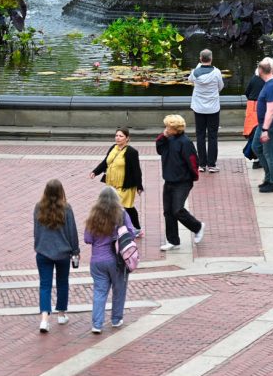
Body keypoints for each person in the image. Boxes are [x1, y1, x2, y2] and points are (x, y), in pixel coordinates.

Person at [83, 186, 135, 334]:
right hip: (117, 260)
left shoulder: (93, 216)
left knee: (100, 291)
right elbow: (130, 233)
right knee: (119, 290)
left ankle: (97, 324)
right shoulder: (122, 215)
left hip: (97, 261)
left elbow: (87, 239)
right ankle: (116, 319)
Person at [33, 179, 79, 333]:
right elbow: (72, 231)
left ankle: (44, 319)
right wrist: (75, 250)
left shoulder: (39, 207)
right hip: (62, 252)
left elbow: (36, 230)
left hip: (43, 251)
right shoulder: (66, 208)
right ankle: (61, 313)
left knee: (44, 285)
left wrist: (38, 245)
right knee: (62, 282)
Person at [155, 115, 203, 249]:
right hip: (169, 180)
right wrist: (162, 137)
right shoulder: (166, 139)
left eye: (168, 127)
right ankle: (173, 241)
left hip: (183, 182)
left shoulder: (185, 142)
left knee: (177, 210)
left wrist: (193, 177)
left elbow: (193, 160)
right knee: (168, 212)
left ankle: (197, 226)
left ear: (175, 129)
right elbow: (159, 149)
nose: (166, 129)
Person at [93, 128, 144, 231]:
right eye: (116, 135)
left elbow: (136, 170)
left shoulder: (131, 152)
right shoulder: (113, 148)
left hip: (125, 186)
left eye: (121, 136)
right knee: (114, 206)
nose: (118, 138)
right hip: (111, 185)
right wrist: (95, 172)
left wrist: (139, 186)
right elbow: (105, 162)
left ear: (127, 138)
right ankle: (116, 227)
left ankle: (136, 228)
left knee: (127, 207)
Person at [189, 49, 224, 173]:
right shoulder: (216, 72)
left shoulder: (195, 72)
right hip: (213, 108)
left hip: (198, 108)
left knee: (200, 135)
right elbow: (221, 86)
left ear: (200, 59)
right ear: (211, 58)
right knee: (213, 136)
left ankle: (201, 164)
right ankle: (212, 164)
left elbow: (190, 80)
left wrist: (198, 66)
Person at [255, 58, 273, 194]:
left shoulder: (272, 85)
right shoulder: (269, 83)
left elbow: (271, 110)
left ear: (261, 70)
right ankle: (269, 178)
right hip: (263, 124)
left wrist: (265, 130)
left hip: (270, 125)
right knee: (256, 147)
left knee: (270, 153)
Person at [242, 68, 266, 169]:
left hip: (251, 107)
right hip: (259, 108)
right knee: (258, 135)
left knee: (253, 134)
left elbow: (247, 92)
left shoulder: (253, 79)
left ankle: (256, 160)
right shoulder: (266, 80)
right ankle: (258, 160)